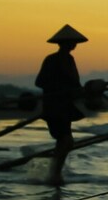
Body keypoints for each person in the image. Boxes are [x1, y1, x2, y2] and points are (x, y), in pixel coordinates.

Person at [35, 24, 88, 186]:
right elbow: (40, 82)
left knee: (65, 141)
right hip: (54, 107)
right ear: (63, 43)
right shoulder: (52, 59)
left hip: (65, 107)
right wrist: (59, 88)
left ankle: (55, 173)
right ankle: (54, 174)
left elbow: (75, 84)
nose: (74, 44)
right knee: (65, 140)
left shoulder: (70, 60)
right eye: (71, 42)